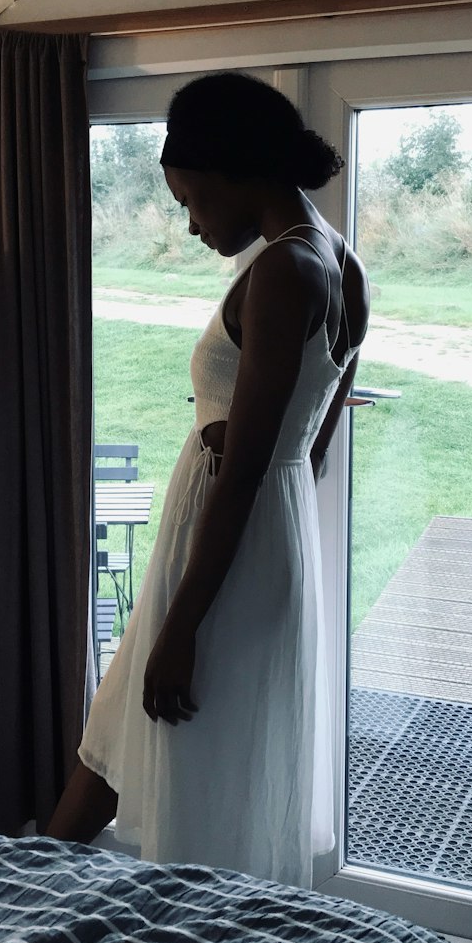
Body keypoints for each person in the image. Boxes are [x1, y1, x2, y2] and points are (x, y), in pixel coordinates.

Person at [46, 71, 370, 888]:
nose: (190, 224)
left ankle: (189, 941)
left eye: (192, 200)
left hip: (226, 538)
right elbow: (314, 439)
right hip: (260, 532)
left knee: (187, 757)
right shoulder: (341, 260)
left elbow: (250, 465)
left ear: (235, 174)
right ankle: (23, 893)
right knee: (120, 731)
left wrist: (184, 625)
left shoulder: (286, 272)